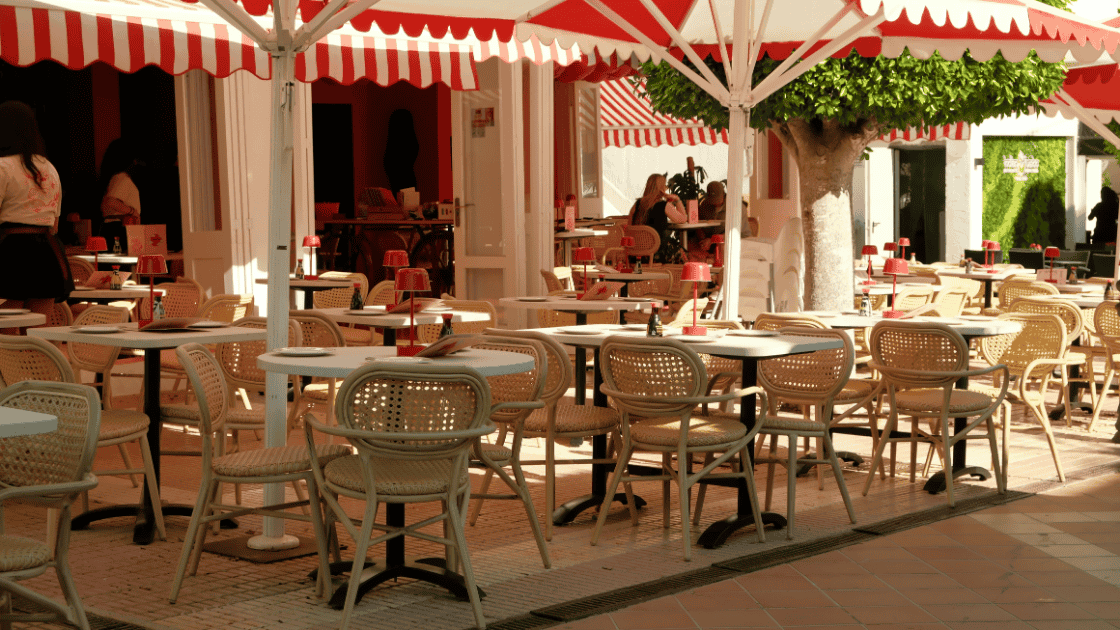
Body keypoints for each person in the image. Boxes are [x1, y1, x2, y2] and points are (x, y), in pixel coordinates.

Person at [0, 101, 73, 318]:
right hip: (47, 250)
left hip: (12, 249)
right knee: (41, 323)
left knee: (8, 321)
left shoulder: (3, 167)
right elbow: (55, 222)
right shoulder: (49, 167)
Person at [627, 173, 687, 264]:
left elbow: (629, 227)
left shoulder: (637, 204)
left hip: (635, 255)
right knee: (684, 254)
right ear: (661, 189)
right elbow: (683, 219)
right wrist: (677, 199)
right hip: (657, 254)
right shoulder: (663, 205)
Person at [98, 137, 143, 247]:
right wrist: (133, 212)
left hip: (114, 227)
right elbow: (111, 201)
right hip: (119, 228)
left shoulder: (115, 178)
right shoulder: (122, 178)